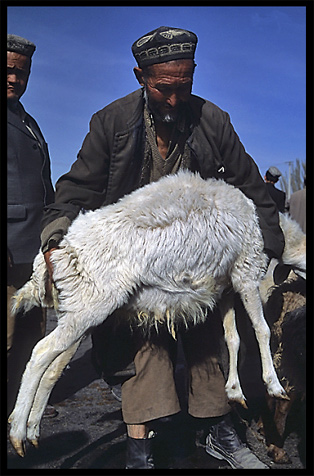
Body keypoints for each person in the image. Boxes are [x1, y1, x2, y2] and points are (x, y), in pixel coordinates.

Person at [42, 26, 285, 469]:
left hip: (196, 264)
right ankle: (140, 449)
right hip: (137, 264)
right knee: (143, 352)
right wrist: (57, 240)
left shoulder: (213, 121)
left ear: (193, 73)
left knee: (207, 344)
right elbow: (74, 191)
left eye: (184, 85)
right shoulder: (111, 123)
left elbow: (251, 187)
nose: (175, 99)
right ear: (140, 76)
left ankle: (219, 432)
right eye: (163, 88)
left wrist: (269, 249)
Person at [7, 34, 57, 417]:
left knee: (30, 333)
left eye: (20, 73)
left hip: (33, 250)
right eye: (7, 69)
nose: (13, 78)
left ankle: (20, 407)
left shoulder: (29, 121)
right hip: (8, 248)